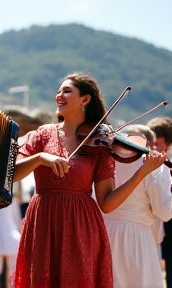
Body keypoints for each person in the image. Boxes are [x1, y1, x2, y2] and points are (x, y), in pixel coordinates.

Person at [12, 72, 167, 288]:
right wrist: (39, 158)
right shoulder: (42, 135)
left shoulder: (100, 144)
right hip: (43, 221)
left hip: (81, 226)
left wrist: (140, 174)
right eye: (58, 91)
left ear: (85, 100)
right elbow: (14, 173)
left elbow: (107, 203)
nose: (59, 95)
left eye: (67, 91)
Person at [102, 124, 172, 288]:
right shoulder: (155, 168)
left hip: (103, 233)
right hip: (137, 238)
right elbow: (165, 212)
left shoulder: (103, 159)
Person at [147, 116, 172, 288]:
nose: (153, 149)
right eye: (151, 144)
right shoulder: (146, 161)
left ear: (169, 144)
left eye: (158, 144)